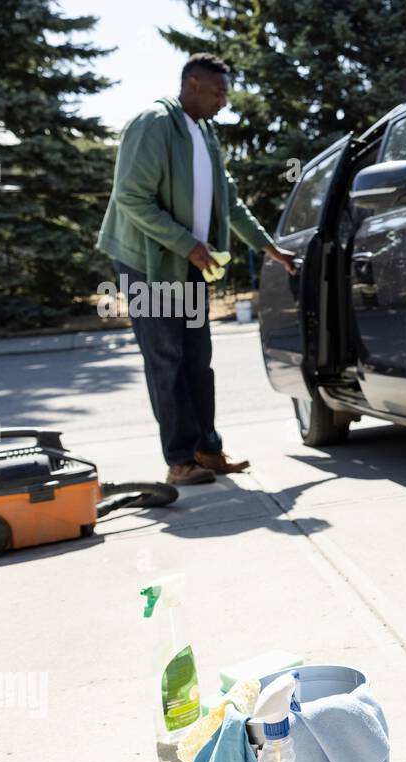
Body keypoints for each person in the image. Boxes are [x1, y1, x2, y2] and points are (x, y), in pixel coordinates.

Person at [97, 53, 296, 485]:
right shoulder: (153, 124)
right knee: (166, 358)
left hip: (187, 262)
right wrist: (188, 244)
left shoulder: (203, 133)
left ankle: (207, 449)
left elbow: (229, 199)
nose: (225, 101)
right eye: (219, 92)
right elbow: (132, 198)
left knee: (197, 358)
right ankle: (178, 460)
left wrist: (267, 246)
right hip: (147, 264)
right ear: (192, 84)